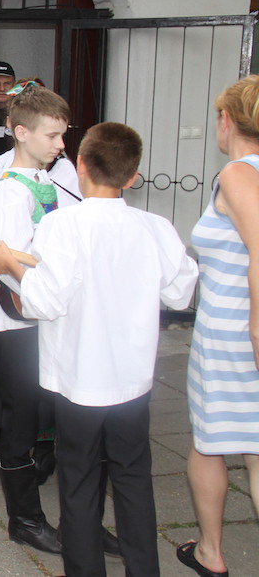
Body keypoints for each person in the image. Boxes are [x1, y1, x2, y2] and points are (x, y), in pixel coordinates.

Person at [0, 122, 199, 576]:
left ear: (79, 164)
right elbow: (181, 293)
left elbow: (46, 302)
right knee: (133, 478)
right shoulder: (154, 227)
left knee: (79, 481)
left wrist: (11, 267)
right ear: (133, 176)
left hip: (78, 380)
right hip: (132, 380)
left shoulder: (62, 225)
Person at [0, 83, 71, 554]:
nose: (60, 144)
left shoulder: (46, 180)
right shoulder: (9, 191)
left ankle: (55, 517)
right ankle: (24, 519)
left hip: (43, 316)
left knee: (39, 415)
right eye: (52, 136)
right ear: (21, 133)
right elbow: (7, 264)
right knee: (20, 423)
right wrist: (52, 283)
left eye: (62, 135)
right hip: (18, 320)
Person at [178, 75, 259, 577]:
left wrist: (256, 328)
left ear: (226, 120)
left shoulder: (237, 173)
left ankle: (210, 552)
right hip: (241, 329)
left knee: (209, 442)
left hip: (234, 331)